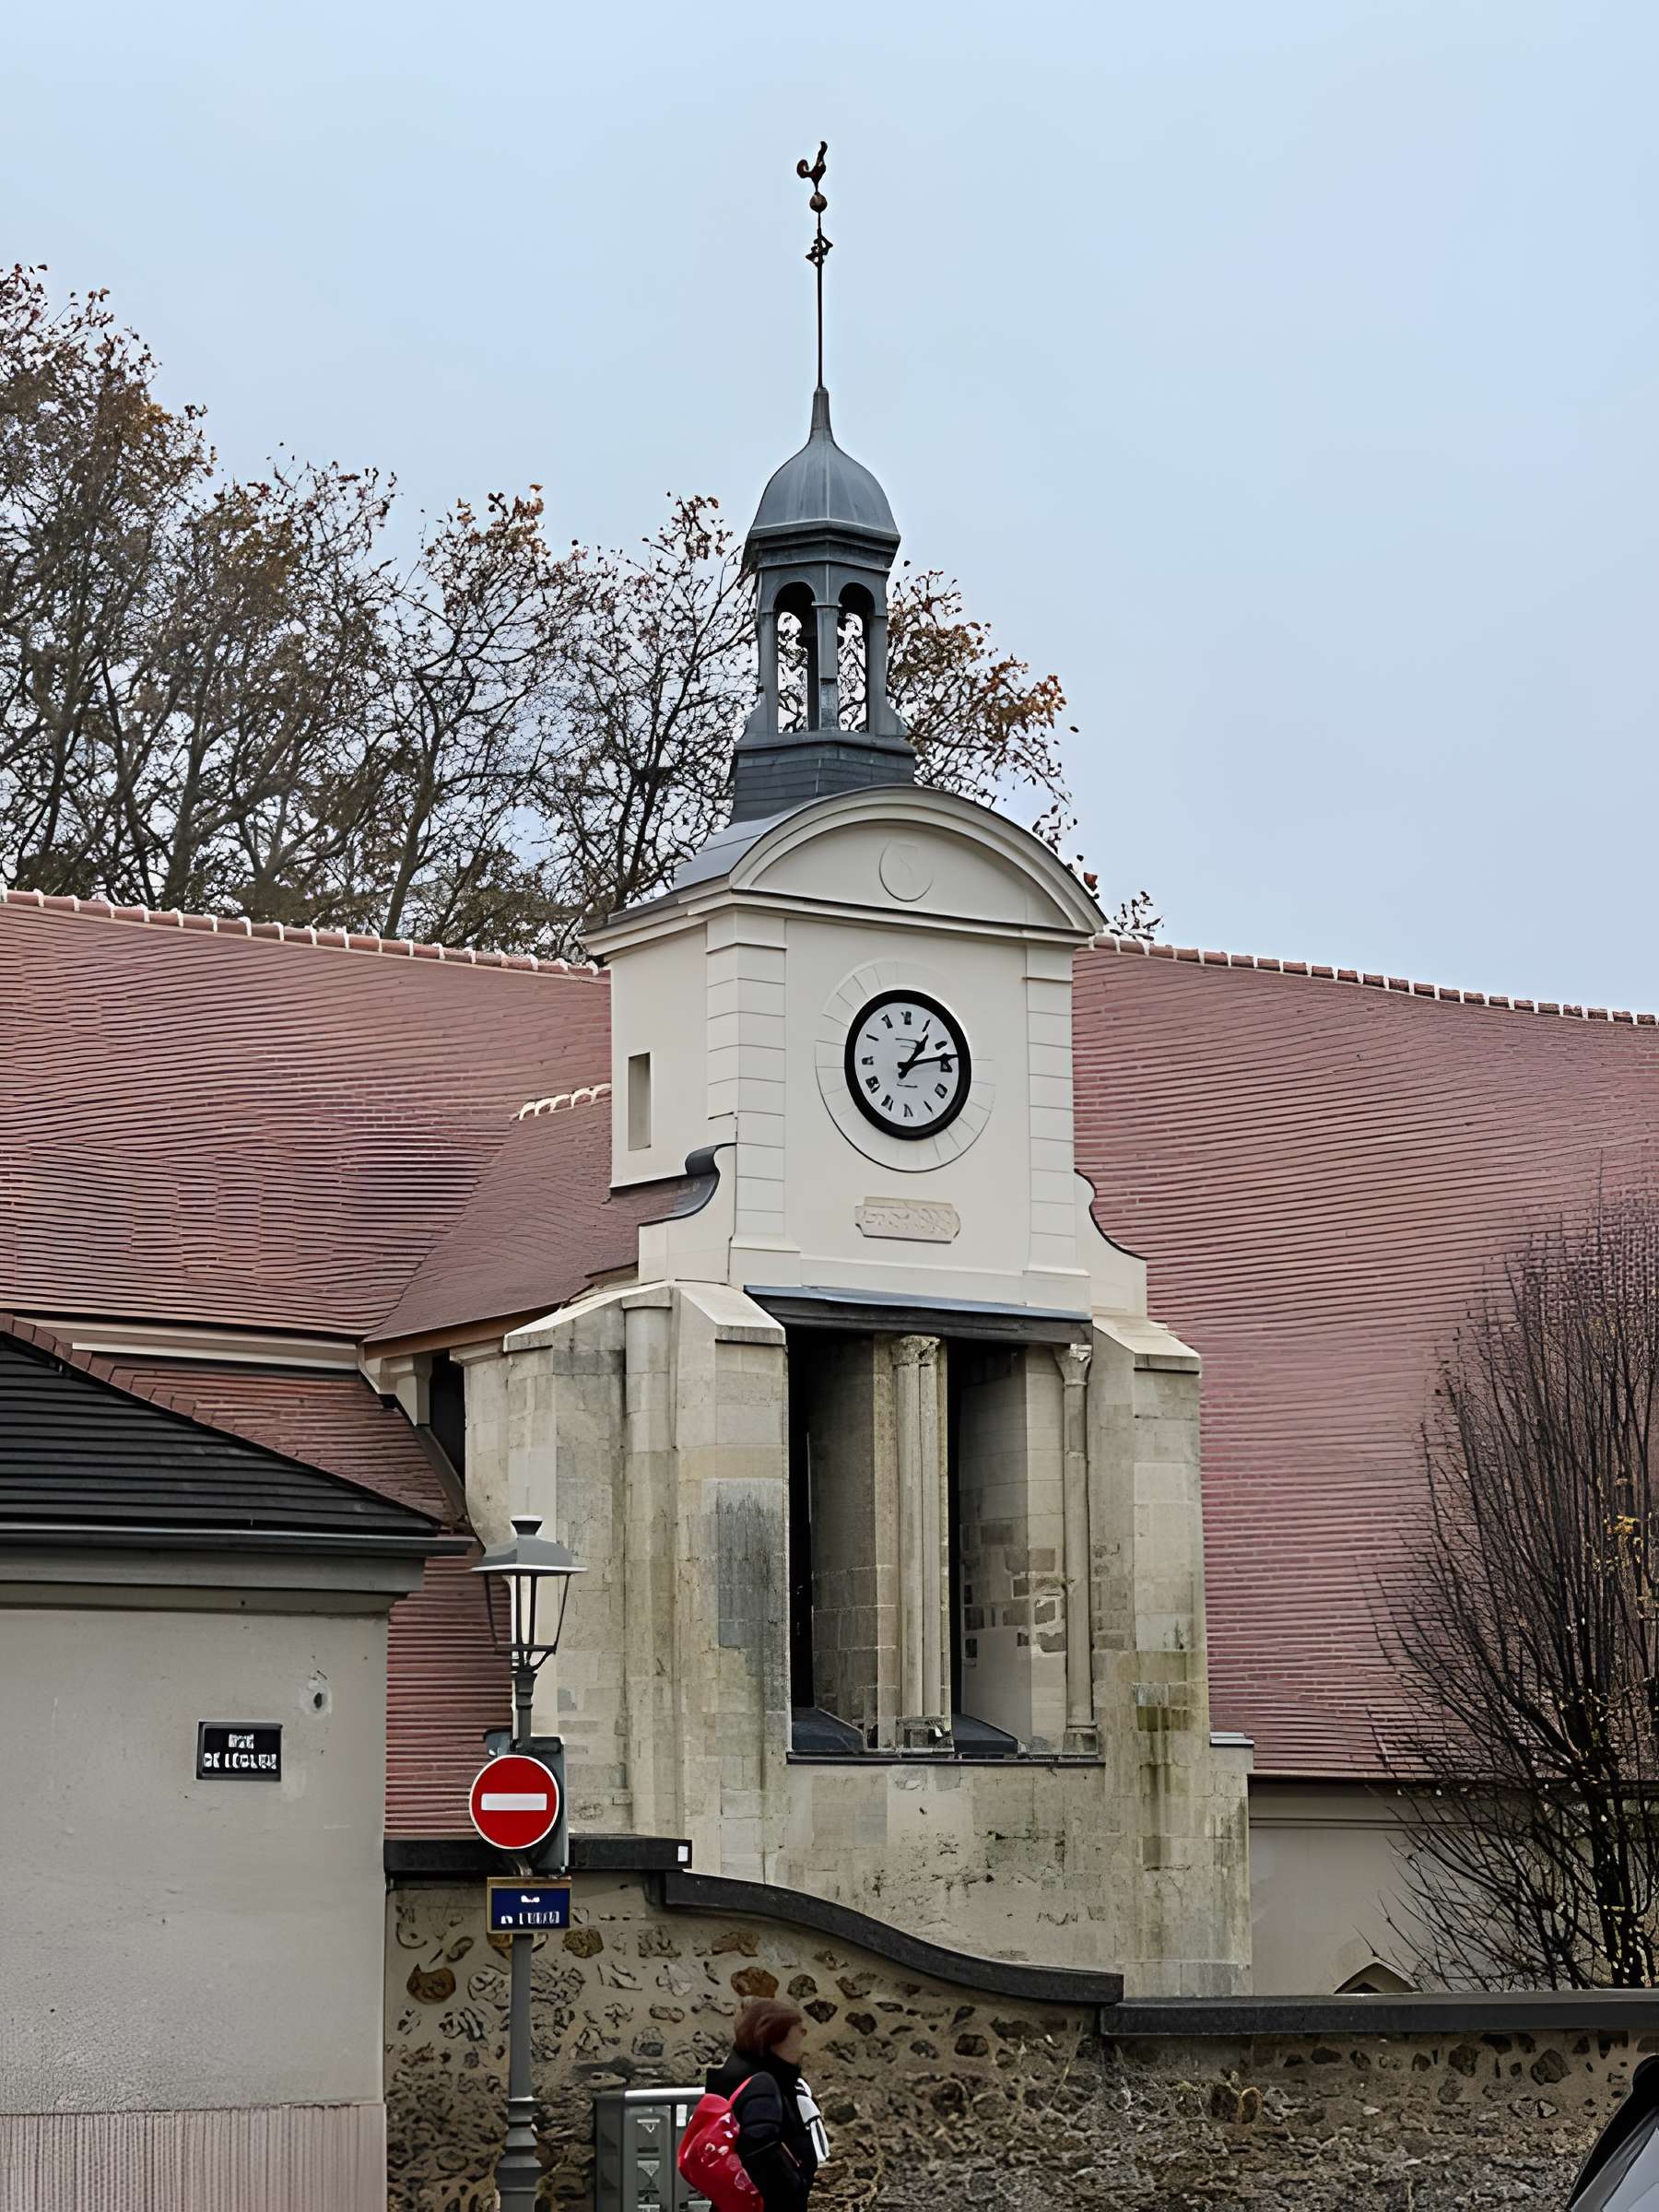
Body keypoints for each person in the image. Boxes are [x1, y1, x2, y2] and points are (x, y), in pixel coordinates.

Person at [704, 1996, 824, 2209]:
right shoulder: (763, 2084)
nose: (803, 2036)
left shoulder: (755, 2077)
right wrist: (796, 2186)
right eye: (798, 2030)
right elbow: (760, 2153)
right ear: (774, 2036)